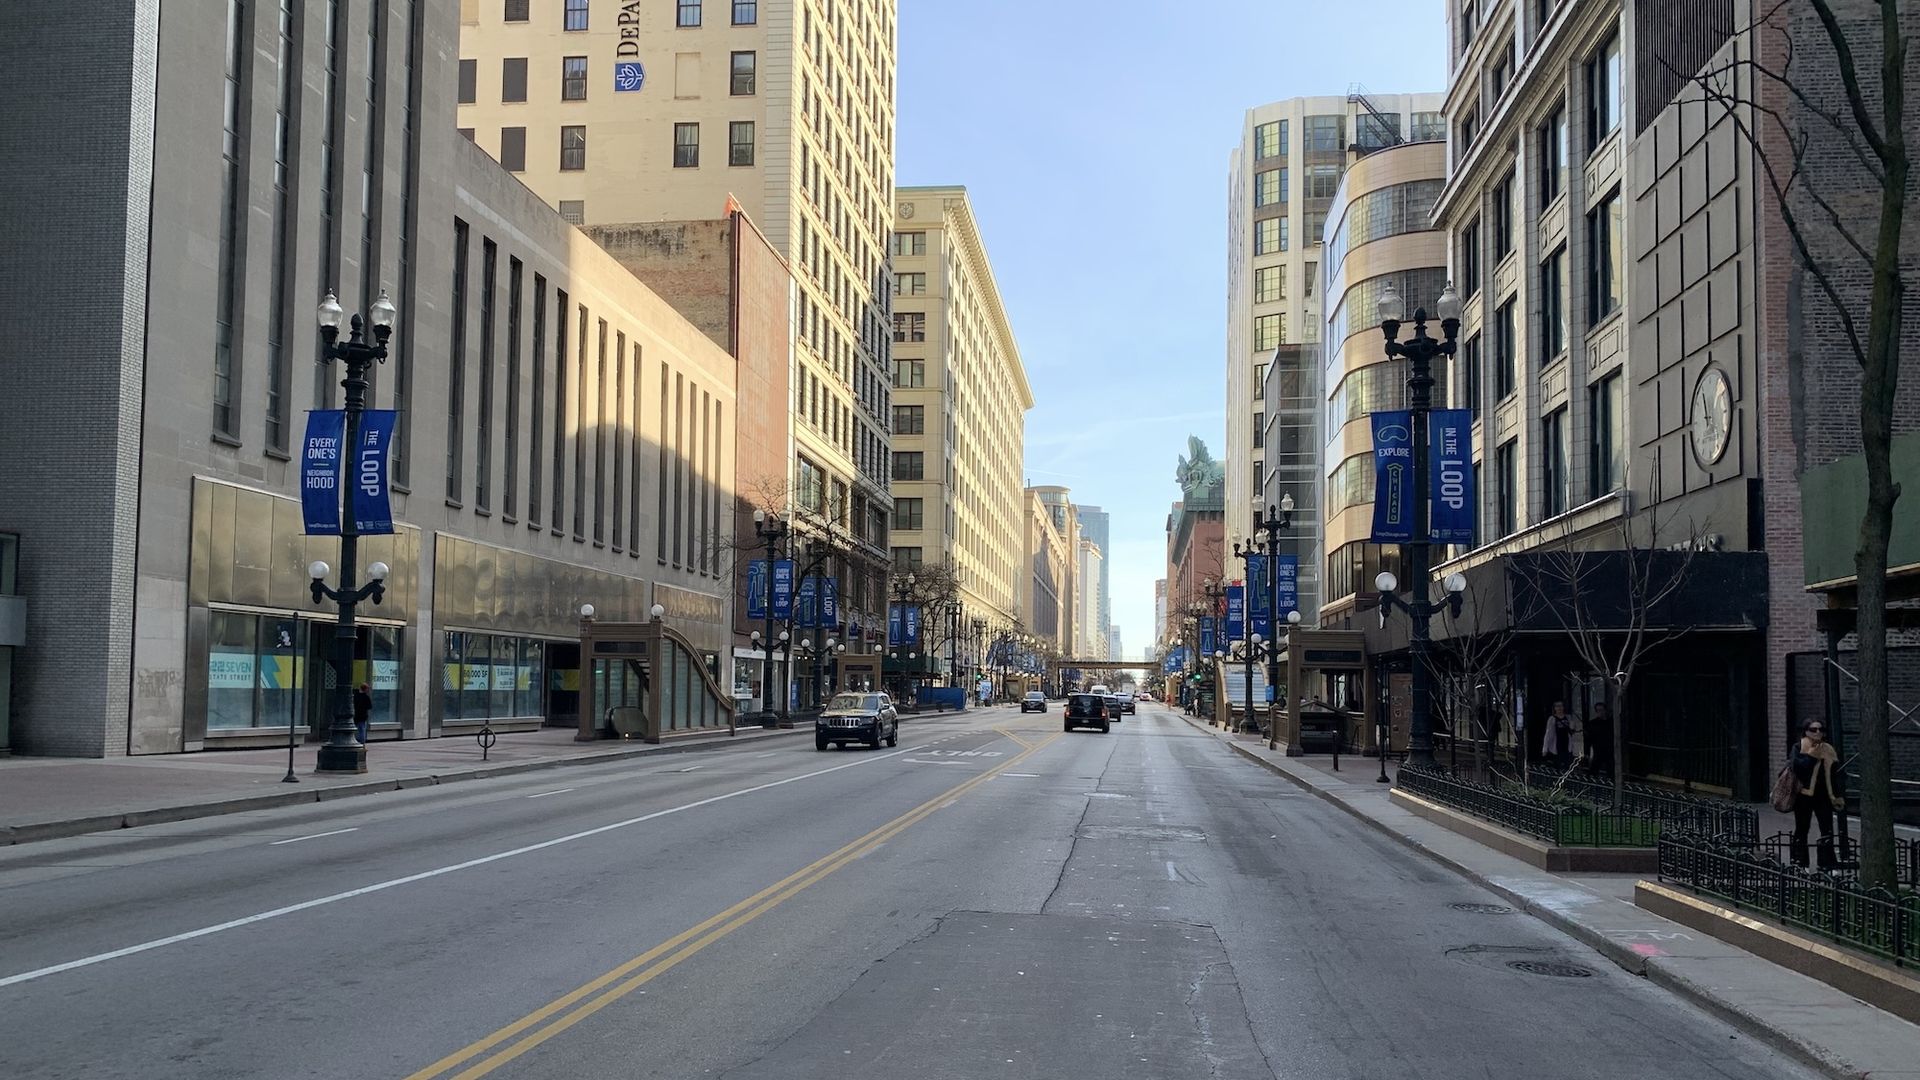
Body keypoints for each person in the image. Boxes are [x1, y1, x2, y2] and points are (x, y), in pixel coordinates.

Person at [1789, 720, 1844, 869]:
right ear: (1806, 731)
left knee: (1827, 829)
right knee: (1802, 828)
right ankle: (1800, 863)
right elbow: (1798, 768)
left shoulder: (1828, 749)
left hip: (1824, 795)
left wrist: (1837, 795)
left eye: (1821, 729)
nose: (1818, 732)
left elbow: (1834, 775)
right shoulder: (1799, 747)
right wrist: (1812, 756)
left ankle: (1828, 863)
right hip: (1803, 795)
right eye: (1813, 729)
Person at [1541, 700, 1579, 769]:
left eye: (1561, 706)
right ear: (1554, 708)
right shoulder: (1552, 719)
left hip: (1567, 743)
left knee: (1568, 764)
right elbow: (1548, 734)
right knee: (1557, 764)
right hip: (1557, 744)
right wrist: (1545, 748)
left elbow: (1572, 731)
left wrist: (1572, 726)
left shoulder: (1568, 717)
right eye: (1557, 706)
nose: (1559, 708)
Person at [1585, 701, 1615, 778]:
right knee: (1594, 768)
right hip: (1598, 749)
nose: (1600, 712)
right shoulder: (1593, 723)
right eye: (1598, 711)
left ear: (1605, 710)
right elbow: (1588, 738)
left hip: (1609, 749)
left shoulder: (1611, 722)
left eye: (1602, 710)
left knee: (1611, 768)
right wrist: (1587, 752)